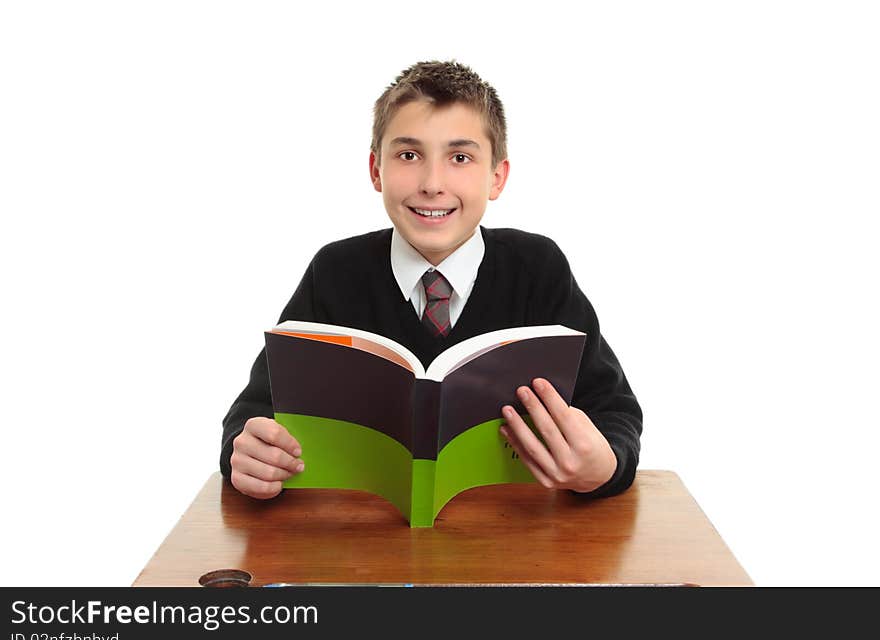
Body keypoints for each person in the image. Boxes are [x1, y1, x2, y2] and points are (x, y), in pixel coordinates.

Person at [221, 60, 642, 501]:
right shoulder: (335, 272)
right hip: (362, 541)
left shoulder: (538, 269)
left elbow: (613, 409)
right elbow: (255, 412)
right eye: (408, 155)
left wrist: (604, 466)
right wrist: (245, 454)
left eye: (460, 157)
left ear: (496, 176)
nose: (432, 183)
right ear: (376, 170)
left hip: (510, 536)